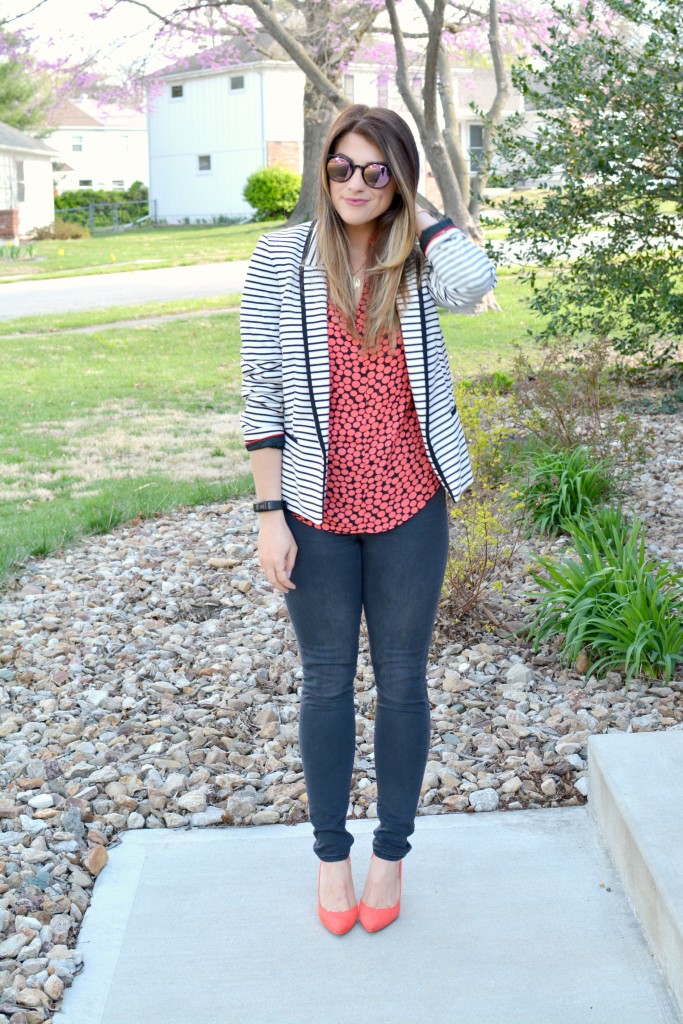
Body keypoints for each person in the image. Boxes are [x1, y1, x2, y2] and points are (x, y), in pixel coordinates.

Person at [239, 104, 497, 935]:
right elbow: (261, 388)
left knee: (401, 682)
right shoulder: (281, 258)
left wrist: (416, 214)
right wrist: (268, 513)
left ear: (399, 179)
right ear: (323, 171)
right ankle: (329, 857)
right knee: (323, 680)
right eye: (342, 168)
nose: (355, 184)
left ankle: (390, 855)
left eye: (375, 170)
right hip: (314, 504)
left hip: (410, 500)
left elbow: (476, 283)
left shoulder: (415, 257)